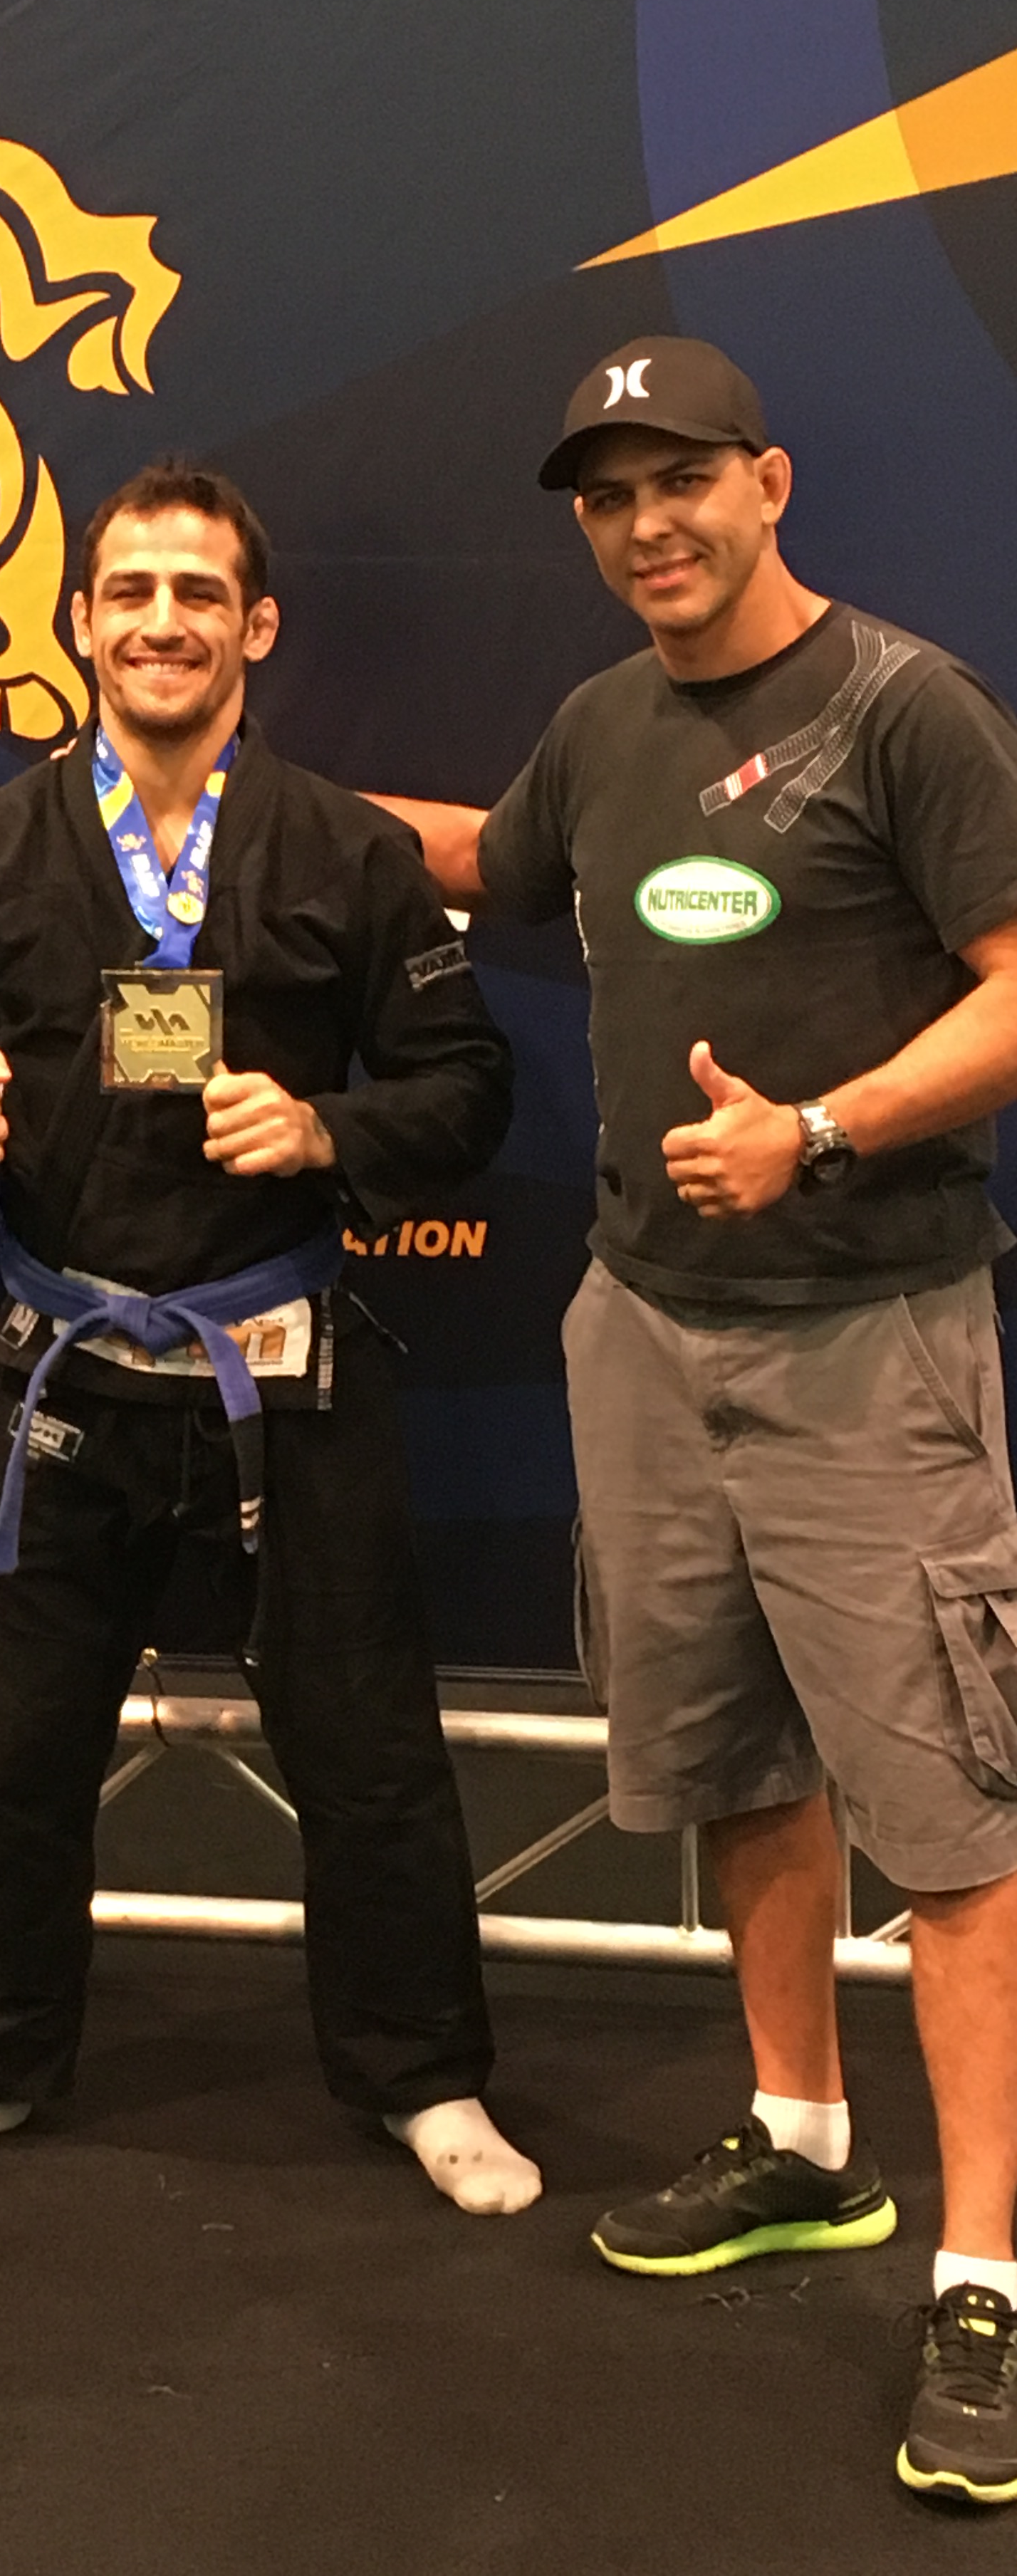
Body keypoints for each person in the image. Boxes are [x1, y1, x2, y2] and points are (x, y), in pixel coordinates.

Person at [372, 333, 1017, 2502]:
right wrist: (244, 788)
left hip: (868, 1337)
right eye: (608, 497)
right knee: (736, 1761)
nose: (647, 526)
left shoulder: (903, 709)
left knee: (958, 1822)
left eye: (681, 482)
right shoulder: (601, 726)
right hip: (646, 1328)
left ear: (770, 481)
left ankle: (989, 2283)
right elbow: (493, 863)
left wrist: (819, 1130)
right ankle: (806, 2141)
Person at [0, 460, 538, 2218]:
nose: (161, 622)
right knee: (1, 1754)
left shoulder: (347, 851)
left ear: (257, 626)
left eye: (197, 593)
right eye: (130, 591)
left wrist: (326, 1131)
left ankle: (427, 2081)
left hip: (280, 1368)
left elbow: (468, 1087)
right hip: (61, 1367)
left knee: (369, 1751)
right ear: (79, 622)